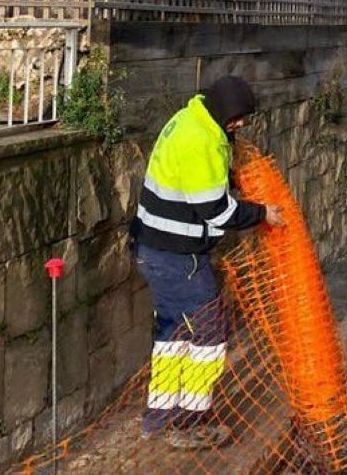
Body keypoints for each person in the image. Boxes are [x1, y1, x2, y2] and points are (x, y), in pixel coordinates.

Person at [130, 76, 283, 450]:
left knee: (172, 336)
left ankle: (159, 417)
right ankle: (188, 423)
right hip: (179, 259)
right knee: (209, 337)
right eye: (238, 119)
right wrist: (264, 213)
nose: (241, 125)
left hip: (154, 250)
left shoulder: (190, 119)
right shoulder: (201, 142)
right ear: (224, 113)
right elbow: (217, 211)